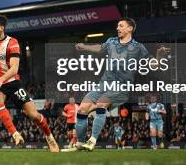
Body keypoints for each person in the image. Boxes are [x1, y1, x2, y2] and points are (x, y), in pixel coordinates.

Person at [66, 17, 170, 152]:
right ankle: (79, 144)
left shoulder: (138, 47)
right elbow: (100, 48)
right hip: (103, 85)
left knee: (101, 105)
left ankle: (92, 141)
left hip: (121, 87)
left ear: (130, 28)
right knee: (82, 109)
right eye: (117, 26)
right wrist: (85, 46)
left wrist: (158, 56)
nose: (117, 28)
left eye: (121, 26)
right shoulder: (111, 42)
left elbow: (154, 66)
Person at [0, 15, 59, 152]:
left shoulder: (12, 43)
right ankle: (15, 134)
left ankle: (49, 137)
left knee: (34, 115)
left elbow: (14, 69)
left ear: (1, 28)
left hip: (12, 82)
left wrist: (1, 79)